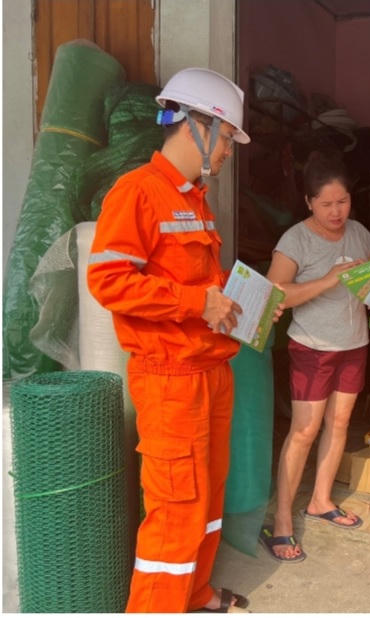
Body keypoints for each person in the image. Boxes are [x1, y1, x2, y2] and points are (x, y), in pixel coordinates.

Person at [87, 67, 282, 613]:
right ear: (194, 125)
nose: (226, 153)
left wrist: (243, 299)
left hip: (209, 373)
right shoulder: (137, 194)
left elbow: (199, 282)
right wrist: (200, 303)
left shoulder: (194, 199)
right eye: (224, 139)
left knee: (207, 501)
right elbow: (109, 281)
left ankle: (195, 593)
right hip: (171, 381)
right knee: (176, 509)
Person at [259, 151, 370, 562]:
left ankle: (321, 500)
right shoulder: (296, 240)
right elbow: (275, 292)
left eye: (342, 202)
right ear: (308, 202)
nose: (336, 211)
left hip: (354, 343)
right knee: (304, 431)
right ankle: (283, 521)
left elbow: (367, 281)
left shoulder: (359, 232)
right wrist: (328, 280)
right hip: (312, 347)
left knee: (339, 423)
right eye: (326, 204)